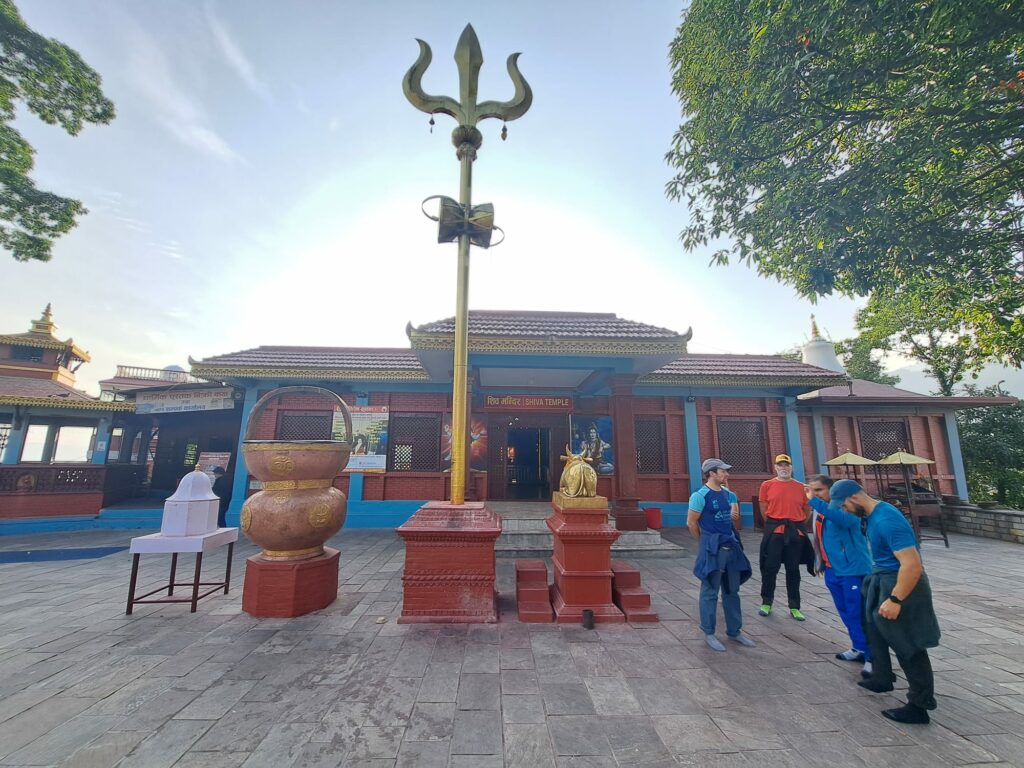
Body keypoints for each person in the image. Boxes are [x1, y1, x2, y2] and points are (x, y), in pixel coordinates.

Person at [829, 479, 940, 724]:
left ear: (854, 497)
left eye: (844, 505)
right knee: (874, 629)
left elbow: (912, 565)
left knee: (907, 643)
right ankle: (882, 676)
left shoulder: (887, 520)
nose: (844, 510)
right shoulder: (871, 515)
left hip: (900, 582)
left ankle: (919, 705)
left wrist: (896, 599)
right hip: (881, 577)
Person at [805, 474, 873, 678]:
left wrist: (814, 501)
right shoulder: (821, 509)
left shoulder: (847, 507)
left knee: (858, 613)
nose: (815, 494)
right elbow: (819, 537)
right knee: (845, 611)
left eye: (819, 490)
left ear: (832, 490)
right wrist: (819, 561)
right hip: (832, 568)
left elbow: (843, 521)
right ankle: (858, 647)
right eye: (812, 490)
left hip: (852, 569)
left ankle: (872, 656)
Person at [688, 458, 756, 652]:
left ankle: (735, 631)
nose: (727, 474)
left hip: (731, 547)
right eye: (723, 471)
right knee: (710, 590)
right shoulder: (700, 496)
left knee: (732, 590)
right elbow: (691, 522)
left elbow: (731, 517)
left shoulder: (728, 494)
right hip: (713, 548)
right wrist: (705, 542)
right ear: (712, 473)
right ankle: (709, 632)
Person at [757, 454, 815, 620]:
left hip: (795, 532)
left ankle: (795, 606)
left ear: (791, 467)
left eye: (786, 465)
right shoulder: (767, 485)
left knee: (793, 569)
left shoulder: (801, 487)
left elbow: (807, 510)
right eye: (780, 465)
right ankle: (766, 602)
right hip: (775, 530)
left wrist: (796, 522)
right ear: (775, 467)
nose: (783, 468)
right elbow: (763, 507)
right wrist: (774, 523)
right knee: (770, 568)